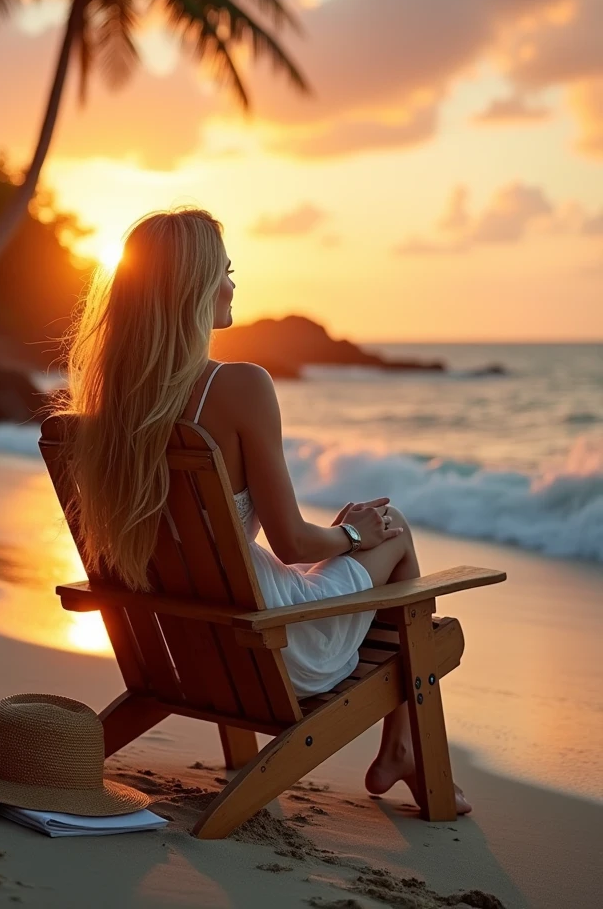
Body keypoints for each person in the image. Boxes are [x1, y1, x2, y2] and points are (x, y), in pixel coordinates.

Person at [64, 208, 470, 815]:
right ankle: (404, 746)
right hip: (270, 649)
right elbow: (293, 545)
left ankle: (402, 746)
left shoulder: (112, 410)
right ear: (193, 288)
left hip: (182, 647)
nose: (232, 285)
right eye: (224, 272)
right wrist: (354, 533)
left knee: (358, 534)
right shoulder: (240, 386)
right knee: (395, 526)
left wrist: (338, 537)